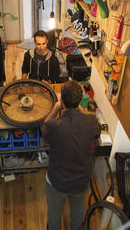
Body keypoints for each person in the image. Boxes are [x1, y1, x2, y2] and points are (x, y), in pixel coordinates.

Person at [41, 80, 101, 230]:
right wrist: (81, 109)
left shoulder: (55, 126)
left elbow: (44, 128)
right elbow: (97, 130)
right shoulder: (92, 121)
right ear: (80, 100)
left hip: (58, 181)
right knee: (78, 208)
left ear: (62, 102)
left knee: (55, 210)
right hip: (81, 181)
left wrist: (55, 107)